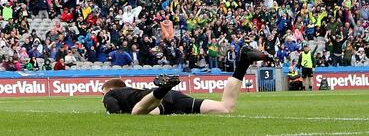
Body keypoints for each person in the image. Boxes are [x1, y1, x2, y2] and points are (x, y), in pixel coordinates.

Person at [101, 46, 269, 114]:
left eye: (103, 93)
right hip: (176, 98)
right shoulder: (130, 92)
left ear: (110, 89)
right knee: (226, 108)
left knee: (137, 113)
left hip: (158, 101)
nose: (103, 97)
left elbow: (115, 113)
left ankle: (164, 88)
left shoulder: (111, 94)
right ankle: (244, 62)